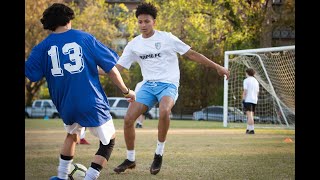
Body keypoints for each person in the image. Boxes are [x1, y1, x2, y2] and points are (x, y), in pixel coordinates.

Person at [112, 2, 230, 175]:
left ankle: (158, 154)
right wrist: (95, 71)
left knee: (165, 111)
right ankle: (130, 159)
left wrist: (217, 66)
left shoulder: (167, 38)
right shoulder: (133, 45)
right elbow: (118, 68)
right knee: (129, 118)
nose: (143, 25)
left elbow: (191, 54)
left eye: (147, 21)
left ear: (154, 22)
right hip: (148, 85)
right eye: (140, 22)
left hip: (168, 84)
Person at [24, 3, 135, 180]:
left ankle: (61, 176)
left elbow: (32, 75)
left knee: (72, 135)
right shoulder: (84, 38)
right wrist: (126, 91)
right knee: (109, 141)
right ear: (69, 18)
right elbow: (112, 69)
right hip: (90, 101)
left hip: (65, 104)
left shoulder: (42, 47)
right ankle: (90, 177)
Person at [242, 68, 259, 134]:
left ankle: (252, 130)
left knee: (249, 115)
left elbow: (245, 91)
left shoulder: (246, 80)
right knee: (251, 115)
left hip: (248, 99)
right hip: (254, 100)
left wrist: (243, 99)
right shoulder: (256, 81)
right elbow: (257, 92)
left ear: (247, 73)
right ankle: (248, 129)